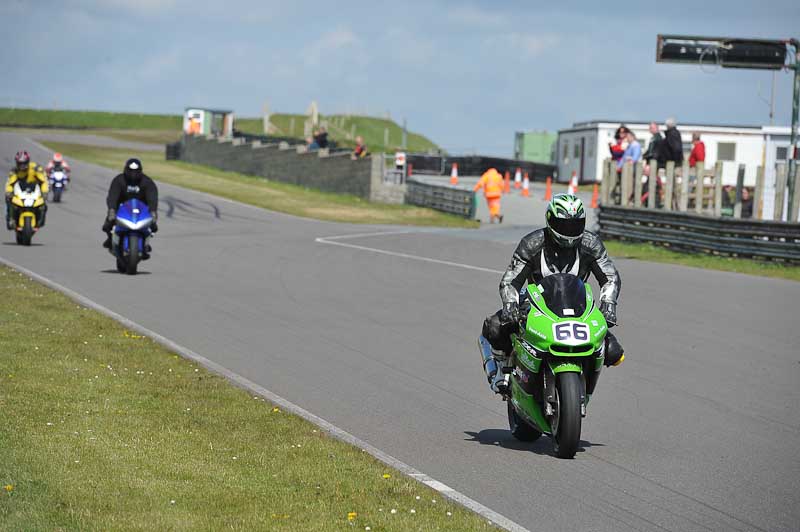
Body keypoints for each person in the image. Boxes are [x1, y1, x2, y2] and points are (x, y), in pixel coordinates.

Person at [480, 194, 624, 394]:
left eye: (575, 224)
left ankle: (584, 385)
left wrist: (609, 304)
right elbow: (510, 280)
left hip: (577, 305)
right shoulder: (532, 243)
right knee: (495, 327)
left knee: (614, 351)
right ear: (550, 220)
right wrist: (510, 305)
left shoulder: (591, 244)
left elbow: (610, 277)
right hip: (534, 302)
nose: (569, 230)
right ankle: (501, 370)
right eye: (563, 224)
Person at [102, 158, 158, 252]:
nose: (133, 174)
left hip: (141, 208)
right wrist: (112, 209)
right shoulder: (119, 180)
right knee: (108, 223)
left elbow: (152, 198)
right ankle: (110, 239)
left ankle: (145, 242)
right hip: (122, 207)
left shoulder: (147, 182)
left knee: (153, 226)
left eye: (136, 171)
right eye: (131, 171)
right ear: (126, 170)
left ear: (140, 171)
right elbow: (113, 196)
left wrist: (153, 211)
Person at [5, 151, 49, 230]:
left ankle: (40, 221)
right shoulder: (14, 171)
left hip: (34, 191)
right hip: (20, 191)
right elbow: (10, 183)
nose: (22, 166)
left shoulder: (36, 168)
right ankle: (10, 219)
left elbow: (44, 181)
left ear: (28, 162)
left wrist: (45, 192)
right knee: (9, 200)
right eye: (20, 163)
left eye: (24, 163)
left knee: (43, 205)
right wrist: (8, 192)